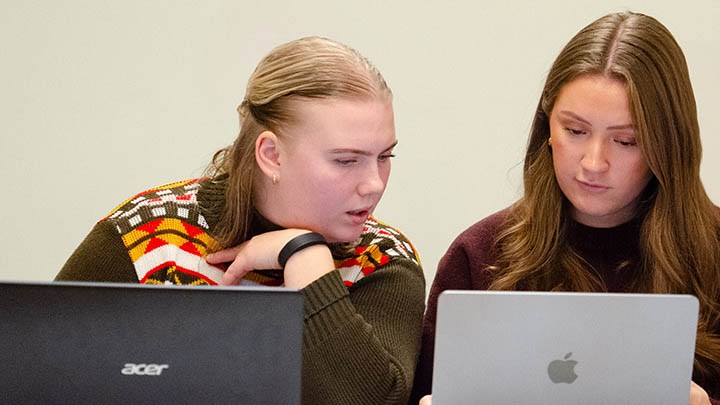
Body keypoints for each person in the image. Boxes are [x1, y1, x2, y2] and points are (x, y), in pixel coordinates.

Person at [55, 36, 425, 405]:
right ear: (271, 155)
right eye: (346, 160)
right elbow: (40, 373)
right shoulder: (149, 235)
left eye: (385, 156)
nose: (374, 184)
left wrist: (305, 257)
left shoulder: (382, 259)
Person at [410, 11, 720, 405]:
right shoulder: (481, 253)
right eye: (574, 131)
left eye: (626, 141)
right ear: (547, 128)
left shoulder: (714, 251)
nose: (593, 163)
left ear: (668, 145)